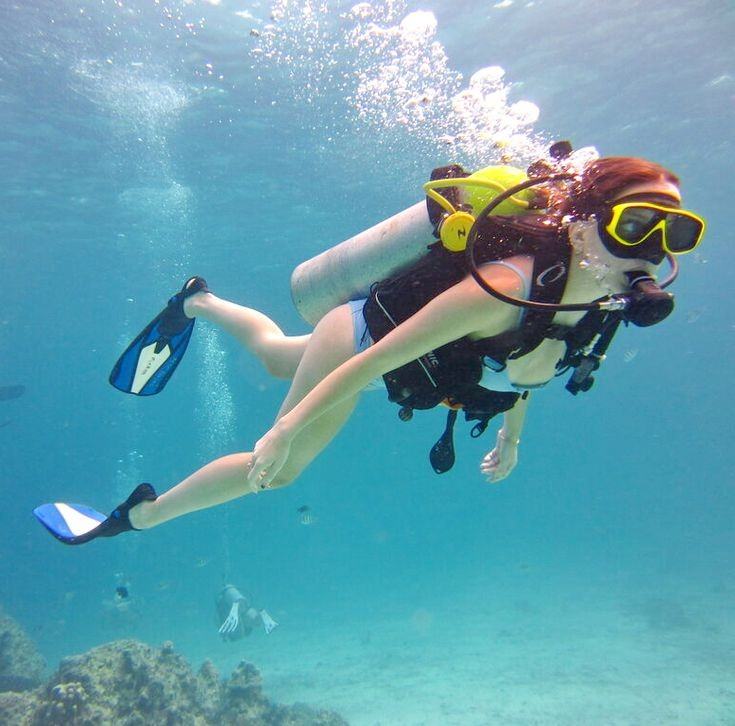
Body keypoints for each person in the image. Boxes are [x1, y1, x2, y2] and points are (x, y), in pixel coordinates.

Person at [33, 150, 706, 544]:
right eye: (637, 223)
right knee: (278, 470)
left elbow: (531, 364)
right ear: (584, 223)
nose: (652, 250)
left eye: (675, 233)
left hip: (418, 360)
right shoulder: (505, 284)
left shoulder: (605, 303)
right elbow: (373, 361)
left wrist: (514, 438)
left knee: (271, 354)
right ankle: (137, 517)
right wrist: (284, 430)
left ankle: (195, 301)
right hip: (364, 337)